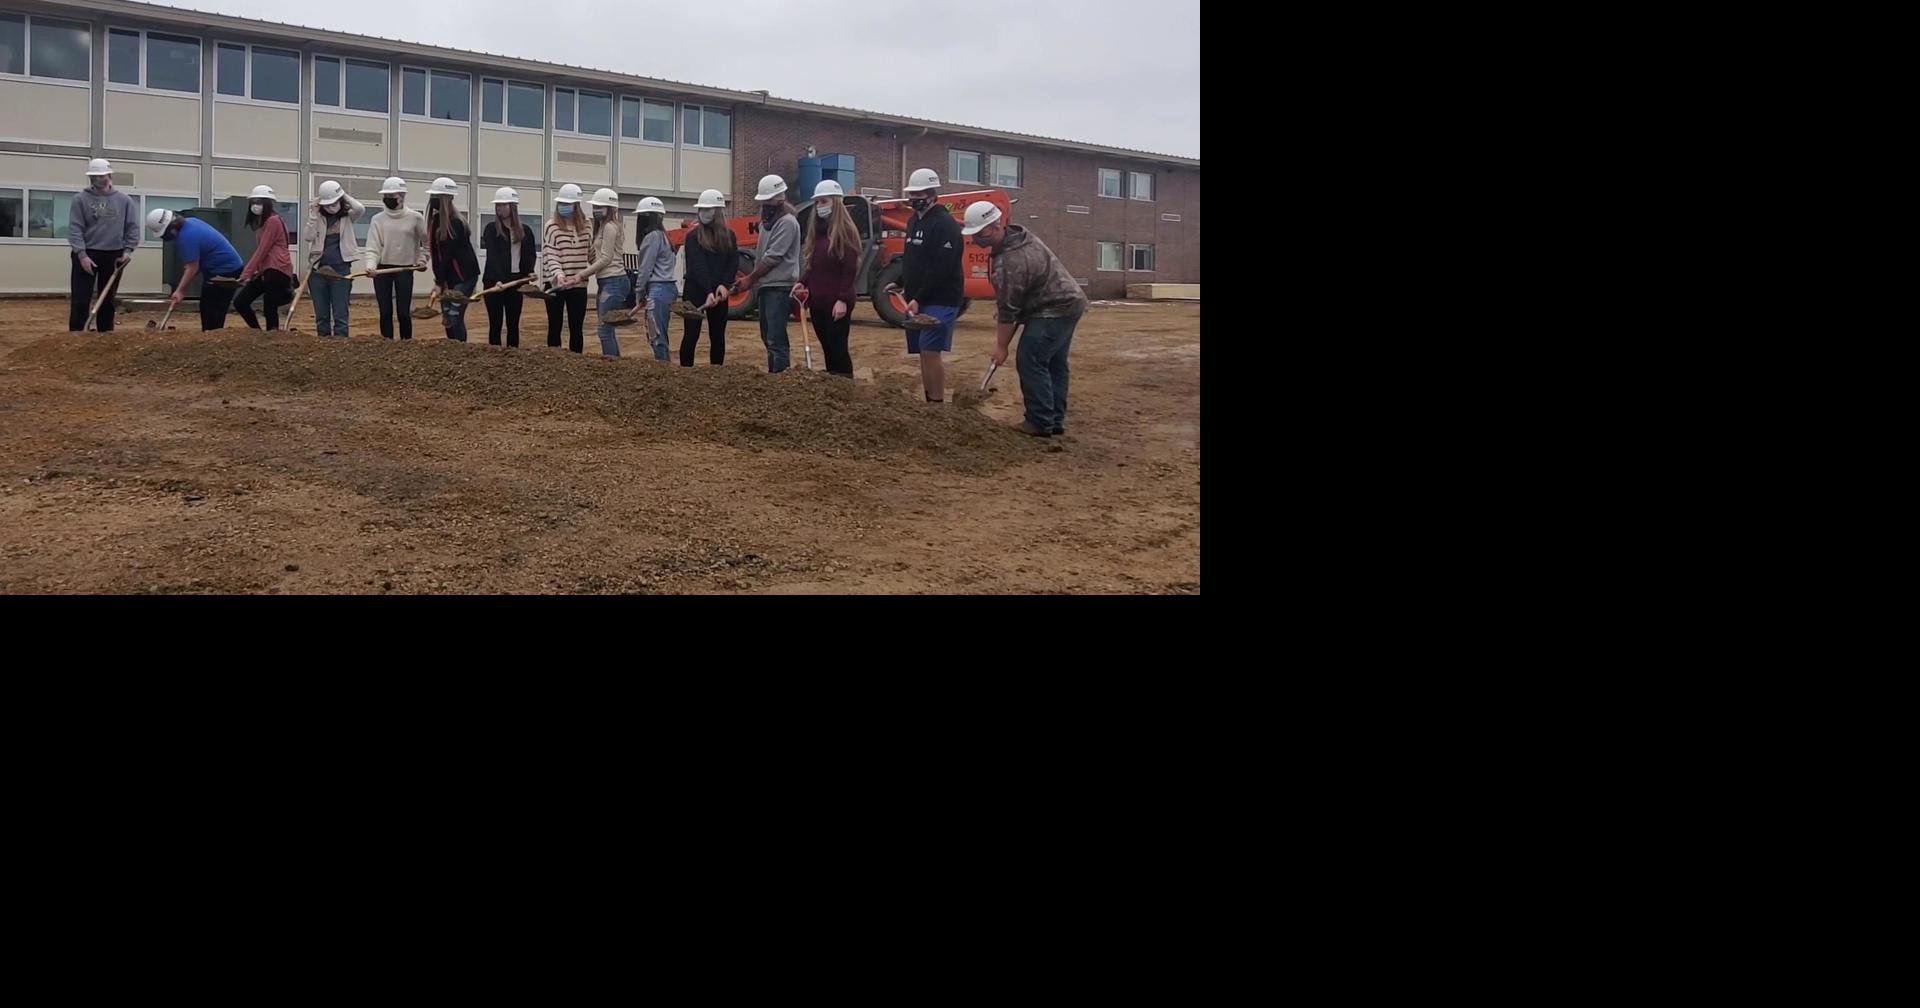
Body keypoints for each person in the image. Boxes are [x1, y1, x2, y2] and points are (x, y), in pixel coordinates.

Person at [964, 200, 1088, 437]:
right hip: (1067, 302)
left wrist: (1001, 347)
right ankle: (1054, 420)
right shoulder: (1018, 236)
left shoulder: (1011, 261)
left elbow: (1008, 311)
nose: (975, 240)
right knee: (1054, 362)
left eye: (978, 234)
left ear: (994, 226)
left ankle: (1040, 422)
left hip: (1054, 308)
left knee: (1030, 359)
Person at [896, 168, 964, 402]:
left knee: (930, 349)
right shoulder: (914, 221)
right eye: (912, 193)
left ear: (932, 194)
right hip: (919, 299)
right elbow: (912, 258)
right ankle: (929, 399)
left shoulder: (945, 224)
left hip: (941, 299)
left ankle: (936, 402)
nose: (914, 198)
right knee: (922, 352)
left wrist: (919, 297)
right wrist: (900, 283)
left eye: (919, 193)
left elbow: (941, 268)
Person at [793, 179, 859, 377]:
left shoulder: (845, 233)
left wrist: (842, 300)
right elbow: (814, 267)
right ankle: (833, 381)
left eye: (824, 201)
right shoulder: (819, 235)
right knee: (827, 347)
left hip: (836, 303)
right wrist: (802, 282)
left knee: (838, 348)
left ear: (836, 203)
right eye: (818, 202)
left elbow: (849, 270)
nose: (820, 206)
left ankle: (845, 383)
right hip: (818, 301)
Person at [736, 174, 799, 373]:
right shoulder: (766, 223)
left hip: (779, 287)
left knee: (776, 339)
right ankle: (774, 376)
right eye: (763, 201)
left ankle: (780, 379)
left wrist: (750, 278)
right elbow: (762, 254)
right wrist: (755, 280)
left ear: (780, 199)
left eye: (768, 200)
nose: (765, 204)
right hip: (767, 286)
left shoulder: (788, 223)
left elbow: (773, 257)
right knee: (767, 336)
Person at [68, 158, 139, 332]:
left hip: (114, 255)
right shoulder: (80, 199)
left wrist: (127, 251)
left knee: (107, 298)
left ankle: (105, 334)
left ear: (109, 175)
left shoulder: (124, 200)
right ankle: (77, 333)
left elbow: (132, 227)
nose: (97, 180)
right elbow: (75, 228)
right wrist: (82, 255)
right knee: (81, 298)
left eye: (100, 176)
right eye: (94, 177)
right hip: (87, 253)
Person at [145, 208, 243, 331]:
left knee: (212, 308)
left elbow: (192, 267)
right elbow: (192, 266)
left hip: (225, 270)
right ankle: (211, 335)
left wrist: (180, 291)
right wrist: (182, 287)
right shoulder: (191, 221)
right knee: (209, 305)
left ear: (170, 228)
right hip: (223, 267)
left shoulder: (187, 236)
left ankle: (212, 336)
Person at [363, 176, 427, 339]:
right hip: (382, 269)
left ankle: (406, 344)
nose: (389, 199)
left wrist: (422, 260)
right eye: (386, 197)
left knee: (403, 313)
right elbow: (373, 246)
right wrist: (371, 266)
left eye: (392, 196)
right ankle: (387, 344)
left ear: (402, 196)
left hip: (405, 269)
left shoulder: (415, 218)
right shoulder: (377, 220)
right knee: (385, 312)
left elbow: (427, 244)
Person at [679, 188, 734, 367]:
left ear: (717, 211)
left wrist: (724, 285)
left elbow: (732, 263)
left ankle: (716, 373)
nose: (703, 213)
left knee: (717, 335)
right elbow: (697, 265)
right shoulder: (693, 237)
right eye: (701, 209)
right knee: (691, 334)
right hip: (695, 290)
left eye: (707, 209)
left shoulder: (729, 237)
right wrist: (708, 291)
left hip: (719, 293)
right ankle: (686, 373)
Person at [303, 179, 364, 338]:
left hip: (340, 271)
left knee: (340, 314)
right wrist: (313, 215)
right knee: (321, 315)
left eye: (334, 203)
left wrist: (342, 194)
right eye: (328, 204)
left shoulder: (347, 217)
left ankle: (340, 344)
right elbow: (308, 237)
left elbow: (360, 208)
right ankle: (323, 343)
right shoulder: (318, 218)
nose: (332, 207)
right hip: (318, 270)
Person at [572, 187, 627, 357]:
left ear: (611, 208)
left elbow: (606, 259)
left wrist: (582, 274)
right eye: (595, 206)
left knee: (604, 330)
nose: (596, 210)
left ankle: (612, 366)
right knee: (607, 329)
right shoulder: (602, 227)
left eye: (600, 207)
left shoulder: (610, 227)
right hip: (607, 281)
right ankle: (615, 365)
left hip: (613, 281)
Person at [480, 186, 536, 348]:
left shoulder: (525, 231)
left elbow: (529, 255)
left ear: (512, 207)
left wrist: (529, 272)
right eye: (498, 205)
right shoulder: (491, 229)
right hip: (494, 283)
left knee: (513, 323)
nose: (500, 208)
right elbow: (493, 257)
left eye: (504, 205)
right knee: (495, 324)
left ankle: (513, 358)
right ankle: (494, 356)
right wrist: (497, 280)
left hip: (516, 282)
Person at [233, 185, 295, 331]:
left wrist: (246, 273)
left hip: (277, 269)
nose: (255, 206)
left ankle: (272, 334)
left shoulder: (273, 221)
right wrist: (255, 272)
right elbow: (263, 252)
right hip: (267, 270)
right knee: (241, 302)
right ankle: (258, 332)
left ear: (268, 204)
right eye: (253, 202)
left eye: (259, 202)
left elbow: (262, 250)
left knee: (270, 303)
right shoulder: (263, 223)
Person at [425, 177, 480, 341]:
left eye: (437, 197)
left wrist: (439, 283)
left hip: (464, 277)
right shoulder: (435, 221)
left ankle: (461, 351)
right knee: (447, 317)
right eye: (432, 196)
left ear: (447, 199)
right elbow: (437, 256)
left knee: (454, 315)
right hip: (448, 277)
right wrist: (440, 281)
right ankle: (452, 350)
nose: (433, 200)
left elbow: (448, 255)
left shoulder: (456, 223)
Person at [541, 184, 592, 352]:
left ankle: (576, 363)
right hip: (556, 284)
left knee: (576, 328)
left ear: (576, 205)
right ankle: (554, 362)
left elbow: (591, 252)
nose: (563, 206)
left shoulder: (587, 226)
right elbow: (551, 254)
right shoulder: (551, 226)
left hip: (578, 285)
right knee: (554, 327)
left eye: (567, 203)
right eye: (561, 203)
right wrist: (559, 275)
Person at [632, 195, 674, 362]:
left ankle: (664, 371)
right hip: (668, 289)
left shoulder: (652, 237)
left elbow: (645, 269)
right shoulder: (665, 236)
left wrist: (639, 293)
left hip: (657, 290)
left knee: (656, 336)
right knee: (660, 333)